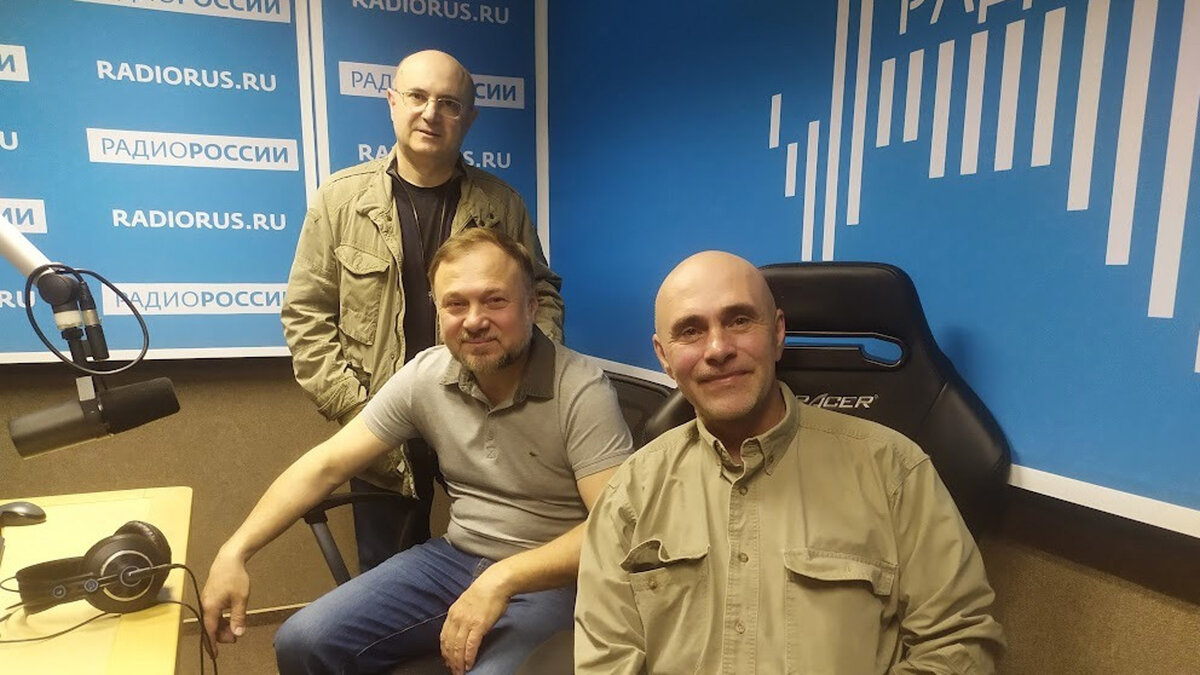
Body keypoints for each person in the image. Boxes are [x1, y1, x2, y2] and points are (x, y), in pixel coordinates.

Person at [204, 228, 628, 675]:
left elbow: (613, 530)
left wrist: (505, 577)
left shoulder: (581, 389)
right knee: (303, 641)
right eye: (456, 304)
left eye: (494, 301)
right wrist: (235, 550)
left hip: (554, 580)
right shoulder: (427, 375)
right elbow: (327, 464)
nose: (474, 320)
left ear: (531, 306)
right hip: (456, 558)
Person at [575, 251, 1005, 673]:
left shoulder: (893, 470)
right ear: (664, 356)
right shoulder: (630, 494)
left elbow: (959, 640)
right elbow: (605, 659)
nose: (718, 348)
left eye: (739, 320)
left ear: (778, 332)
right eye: (690, 330)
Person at [281, 49, 564, 572]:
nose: (431, 113)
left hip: (484, 417)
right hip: (381, 421)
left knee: (502, 560)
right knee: (388, 574)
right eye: (417, 97)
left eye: (449, 103)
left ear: (469, 118)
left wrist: (524, 384)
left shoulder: (502, 205)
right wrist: (356, 411)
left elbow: (540, 294)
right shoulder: (339, 202)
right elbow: (305, 314)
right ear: (392, 103)